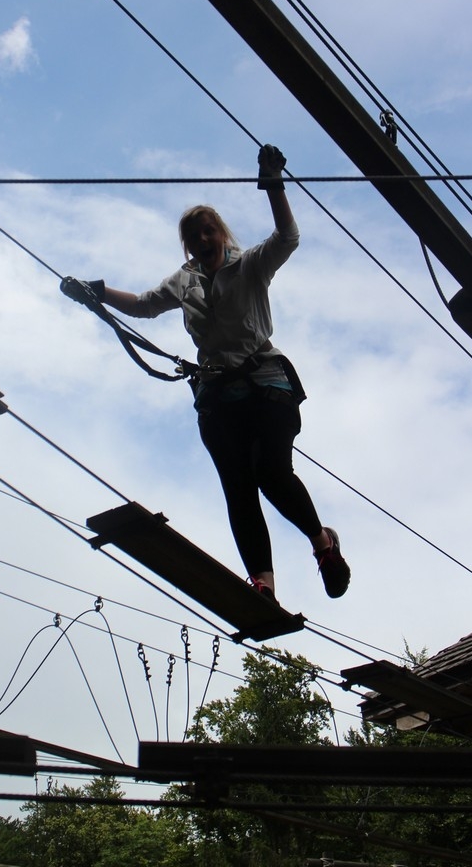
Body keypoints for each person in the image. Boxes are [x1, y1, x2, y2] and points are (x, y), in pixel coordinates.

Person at [62, 145, 350, 603]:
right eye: (192, 236)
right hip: (219, 396)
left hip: (266, 384)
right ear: (188, 245)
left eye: (207, 230)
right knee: (238, 487)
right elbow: (142, 305)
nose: (201, 239)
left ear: (221, 234)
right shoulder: (184, 281)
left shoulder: (250, 265)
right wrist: (94, 291)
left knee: (271, 473)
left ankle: (323, 545)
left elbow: (288, 236)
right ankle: (264, 585)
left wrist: (272, 181)